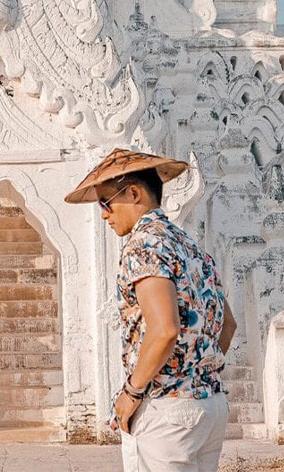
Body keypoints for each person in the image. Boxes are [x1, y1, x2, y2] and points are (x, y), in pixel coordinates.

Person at [65, 148, 237, 472]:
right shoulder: (189, 245)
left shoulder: (144, 244)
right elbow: (227, 324)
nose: (104, 213)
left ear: (133, 193)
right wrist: (196, 373)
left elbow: (165, 330)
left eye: (106, 202)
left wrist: (131, 393)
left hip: (167, 413)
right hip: (209, 405)